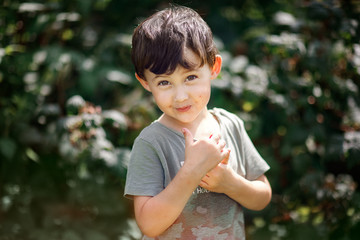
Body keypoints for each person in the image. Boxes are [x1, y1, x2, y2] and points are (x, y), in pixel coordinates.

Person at [124, 5, 271, 239]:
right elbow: (149, 225)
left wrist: (229, 183)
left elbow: (263, 197)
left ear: (214, 68)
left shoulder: (230, 125)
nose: (180, 96)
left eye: (190, 77)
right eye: (164, 82)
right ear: (145, 82)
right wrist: (191, 172)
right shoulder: (151, 142)